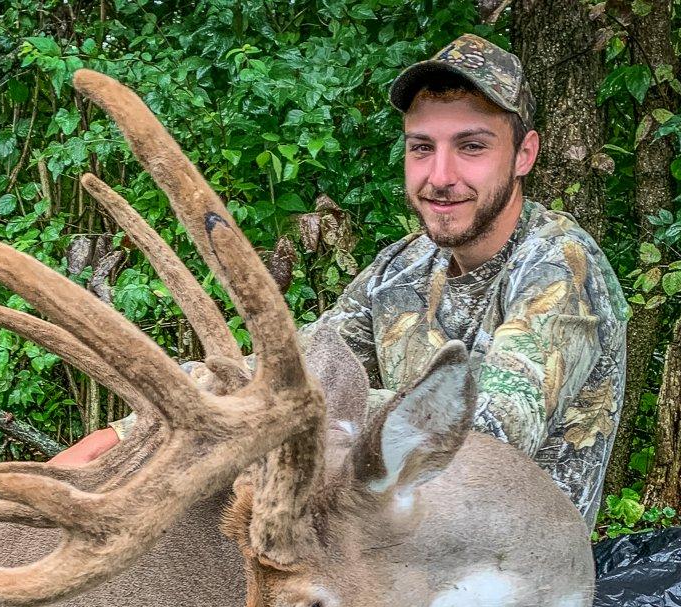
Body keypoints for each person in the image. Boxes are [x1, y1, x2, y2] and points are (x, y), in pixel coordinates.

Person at [52, 33, 630, 529]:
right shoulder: (402, 269)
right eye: (421, 148)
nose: (441, 176)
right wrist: (124, 435)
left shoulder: (559, 266)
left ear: (524, 154)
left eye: (472, 147)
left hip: (513, 574)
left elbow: (488, 433)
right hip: (396, 540)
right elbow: (296, 366)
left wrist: (289, 408)